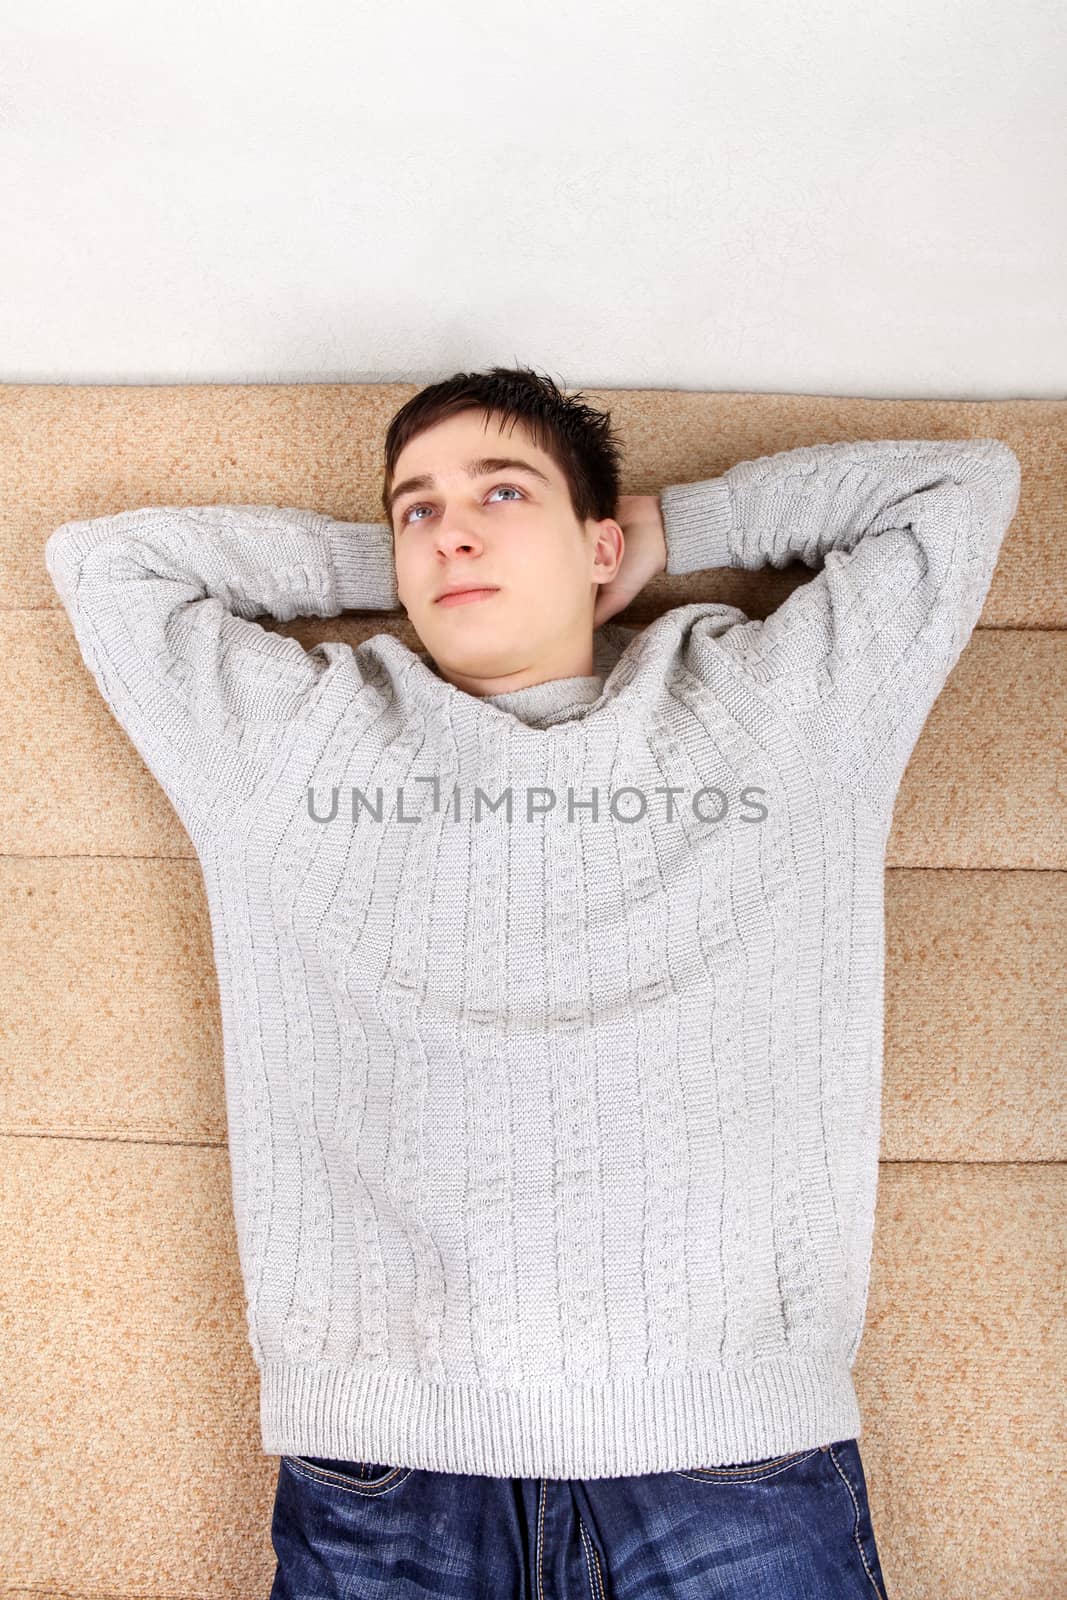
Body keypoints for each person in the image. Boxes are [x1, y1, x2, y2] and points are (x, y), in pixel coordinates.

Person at [44, 364, 1021, 1598]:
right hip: (390, 1453)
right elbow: (108, 568)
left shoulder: (772, 714)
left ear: (600, 540)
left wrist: (669, 532)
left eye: (501, 492)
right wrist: (415, 565)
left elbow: (958, 488)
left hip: (719, 1437)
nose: (451, 528)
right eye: (416, 508)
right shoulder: (301, 746)